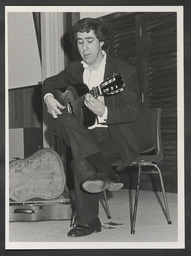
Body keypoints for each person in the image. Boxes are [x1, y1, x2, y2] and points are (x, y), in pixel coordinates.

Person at [42, 17, 141, 237]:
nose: (84, 48)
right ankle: (105, 171)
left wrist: (103, 111)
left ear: (102, 41)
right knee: (61, 118)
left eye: (89, 41)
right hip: (84, 133)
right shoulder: (74, 70)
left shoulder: (123, 71)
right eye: (79, 42)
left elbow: (132, 112)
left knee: (80, 157)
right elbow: (49, 82)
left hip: (115, 136)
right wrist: (49, 98)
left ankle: (89, 222)